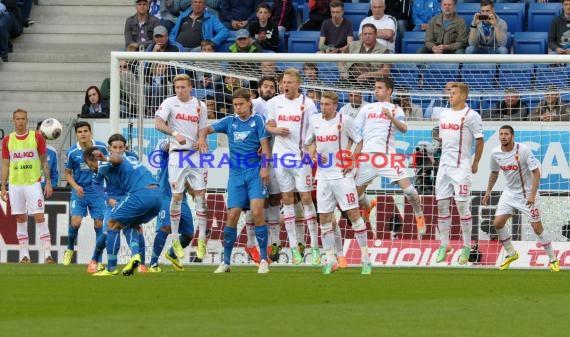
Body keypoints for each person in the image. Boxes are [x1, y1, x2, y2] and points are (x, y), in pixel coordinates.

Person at [198, 88, 271, 274]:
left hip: (255, 172)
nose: (238, 108)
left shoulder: (258, 121)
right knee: (232, 215)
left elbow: (265, 147)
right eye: (235, 105)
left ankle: (263, 259)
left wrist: (265, 168)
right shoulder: (230, 122)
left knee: (257, 212)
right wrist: (202, 139)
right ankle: (226, 261)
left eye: (241, 104)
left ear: (249, 103)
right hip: (236, 175)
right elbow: (205, 129)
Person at [305, 91, 372, 275]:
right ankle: (331, 260)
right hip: (323, 177)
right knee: (325, 219)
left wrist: (352, 160)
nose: (323, 107)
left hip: (342, 176)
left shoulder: (345, 120)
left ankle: (366, 260)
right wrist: (311, 151)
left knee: (353, 214)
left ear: (335, 106)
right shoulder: (315, 120)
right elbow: (309, 142)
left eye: (327, 104)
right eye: (322, 104)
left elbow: (359, 141)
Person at [354, 77, 425, 238]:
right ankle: (368, 205)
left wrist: (390, 117)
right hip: (367, 157)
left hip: (388, 157)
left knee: (410, 191)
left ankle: (419, 215)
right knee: (355, 196)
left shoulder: (395, 109)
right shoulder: (367, 109)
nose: (376, 90)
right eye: (375, 87)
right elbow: (355, 130)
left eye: (379, 87)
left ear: (389, 91)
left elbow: (404, 129)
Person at [482, 125, 559, 272]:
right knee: (497, 223)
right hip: (510, 193)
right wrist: (488, 191)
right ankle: (511, 253)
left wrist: (531, 195)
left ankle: (553, 259)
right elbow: (494, 173)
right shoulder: (495, 153)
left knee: (537, 228)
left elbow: (536, 173)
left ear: (513, 136)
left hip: (528, 195)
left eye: (506, 134)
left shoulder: (523, 150)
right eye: (501, 134)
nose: (503, 136)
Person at [266, 68, 319, 265]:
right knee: (286, 199)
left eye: (289, 82)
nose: (285, 85)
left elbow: (315, 130)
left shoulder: (308, 104)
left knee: (306, 198)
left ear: (298, 84)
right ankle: (294, 248)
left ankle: (314, 247)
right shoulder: (274, 103)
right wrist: (275, 130)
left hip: (301, 157)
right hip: (280, 157)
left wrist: (311, 151)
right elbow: (268, 126)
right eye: (283, 82)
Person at [83, 146, 162, 276]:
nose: (90, 168)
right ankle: (135, 256)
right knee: (130, 224)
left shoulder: (106, 162)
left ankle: (111, 268)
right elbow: (98, 181)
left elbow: (117, 159)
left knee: (111, 224)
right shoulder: (131, 158)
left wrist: (105, 158)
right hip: (157, 197)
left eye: (89, 164)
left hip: (139, 194)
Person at [155, 73, 209, 261]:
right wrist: (175, 133)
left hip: (196, 155)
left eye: (183, 87)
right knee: (177, 196)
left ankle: (202, 239)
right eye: (177, 87)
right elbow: (158, 123)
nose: (179, 90)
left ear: (190, 87)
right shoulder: (169, 102)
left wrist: (202, 139)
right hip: (177, 154)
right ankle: (176, 239)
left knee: (201, 196)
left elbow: (203, 127)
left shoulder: (200, 106)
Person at [434, 82, 484, 265]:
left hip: (461, 168)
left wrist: (475, 162)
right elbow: (443, 138)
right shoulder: (444, 114)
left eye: (454, 93)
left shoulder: (472, 116)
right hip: (444, 167)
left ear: (463, 96)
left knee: (462, 207)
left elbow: (480, 141)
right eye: (449, 93)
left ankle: (466, 245)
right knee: (441, 206)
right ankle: (444, 244)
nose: (450, 96)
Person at [1, 109, 54, 263]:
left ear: (27, 120)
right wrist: (3, 186)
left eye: (23, 118)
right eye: (17, 119)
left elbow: (44, 161)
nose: (20, 121)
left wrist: (48, 182)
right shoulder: (7, 140)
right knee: (20, 218)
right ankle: (25, 255)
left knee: (39, 217)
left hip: (33, 183)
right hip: (15, 184)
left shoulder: (36, 137)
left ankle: (47, 255)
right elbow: (5, 164)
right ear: (13, 121)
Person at [63, 121, 108, 266]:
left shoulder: (101, 147)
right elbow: (67, 173)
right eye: (80, 132)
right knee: (75, 222)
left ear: (90, 132)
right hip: (80, 191)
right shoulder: (72, 152)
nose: (83, 134)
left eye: (85, 131)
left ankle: (98, 259)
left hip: (97, 190)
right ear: (76, 134)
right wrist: (75, 186)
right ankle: (69, 249)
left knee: (99, 223)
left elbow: (109, 164)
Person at [148, 139, 195, 271]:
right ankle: (153, 263)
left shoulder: (186, 158)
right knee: (166, 226)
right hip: (165, 196)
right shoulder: (167, 142)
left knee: (188, 234)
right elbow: (165, 148)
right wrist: (179, 137)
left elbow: (182, 176)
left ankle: (172, 254)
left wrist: (191, 190)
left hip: (181, 197)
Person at [36, 121, 59, 189]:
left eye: (46, 131)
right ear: (36, 132)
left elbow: (55, 174)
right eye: (42, 131)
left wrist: (51, 186)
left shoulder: (52, 151)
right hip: (29, 191)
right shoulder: (27, 149)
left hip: (46, 191)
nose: (44, 133)